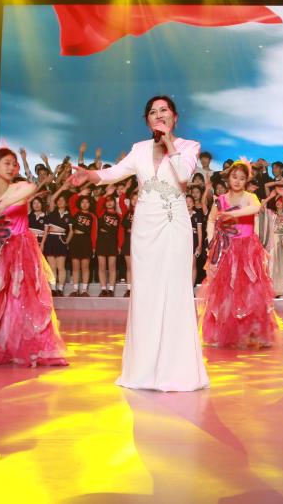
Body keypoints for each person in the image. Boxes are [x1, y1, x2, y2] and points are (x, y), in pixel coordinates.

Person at [72, 95, 209, 391]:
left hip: (174, 224)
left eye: (164, 110)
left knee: (174, 290)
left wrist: (168, 141)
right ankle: (143, 369)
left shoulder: (189, 146)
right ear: (147, 120)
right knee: (146, 292)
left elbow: (183, 175)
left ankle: (177, 370)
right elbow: (114, 173)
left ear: (174, 117)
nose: (158, 115)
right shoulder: (139, 149)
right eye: (152, 112)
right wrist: (90, 175)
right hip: (145, 226)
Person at [0, 147, 68, 367]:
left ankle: (30, 346)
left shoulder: (20, 187)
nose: (12, 167)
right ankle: (0, 346)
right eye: (6, 163)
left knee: (23, 300)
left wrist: (0, 206)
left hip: (21, 249)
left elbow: (31, 188)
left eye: (14, 164)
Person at [200, 161, 280, 348]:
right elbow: (211, 220)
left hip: (248, 250)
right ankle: (225, 333)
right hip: (226, 249)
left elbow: (256, 208)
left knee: (252, 290)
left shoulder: (250, 197)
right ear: (228, 178)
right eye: (234, 177)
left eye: (242, 178)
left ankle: (254, 332)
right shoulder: (220, 200)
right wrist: (211, 240)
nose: (237, 181)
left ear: (246, 181)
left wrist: (232, 215)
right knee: (226, 290)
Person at [67, 195, 97, 297]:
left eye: (87, 202)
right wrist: (80, 193)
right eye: (82, 202)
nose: (84, 204)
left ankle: (84, 290)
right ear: (79, 204)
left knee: (85, 267)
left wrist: (93, 247)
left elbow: (94, 233)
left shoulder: (92, 216)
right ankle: (75, 290)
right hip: (75, 239)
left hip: (86, 240)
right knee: (75, 267)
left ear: (90, 204)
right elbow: (71, 200)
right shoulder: (75, 212)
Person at [95, 202, 120, 297]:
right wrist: (106, 195)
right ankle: (103, 289)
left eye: (111, 201)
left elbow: (120, 232)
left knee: (112, 266)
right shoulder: (101, 212)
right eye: (107, 201)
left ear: (114, 202)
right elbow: (99, 203)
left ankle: (111, 290)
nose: (109, 203)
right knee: (101, 266)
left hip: (113, 241)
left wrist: (119, 245)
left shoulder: (118, 216)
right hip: (101, 240)